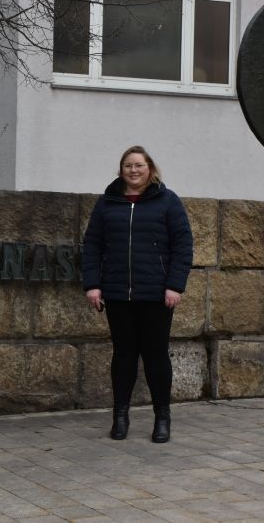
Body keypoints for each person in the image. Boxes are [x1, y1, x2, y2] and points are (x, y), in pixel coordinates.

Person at [82, 145, 193, 443]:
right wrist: (92, 284)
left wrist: (175, 285)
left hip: (156, 296)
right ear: (121, 170)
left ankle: (162, 418)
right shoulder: (107, 203)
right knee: (123, 357)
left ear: (150, 169)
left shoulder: (168, 201)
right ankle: (120, 416)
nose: (133, 170)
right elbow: (92, 245)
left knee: (156, 357)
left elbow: (183, 245)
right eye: (128, 165)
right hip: (117, 294)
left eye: (139, 165)